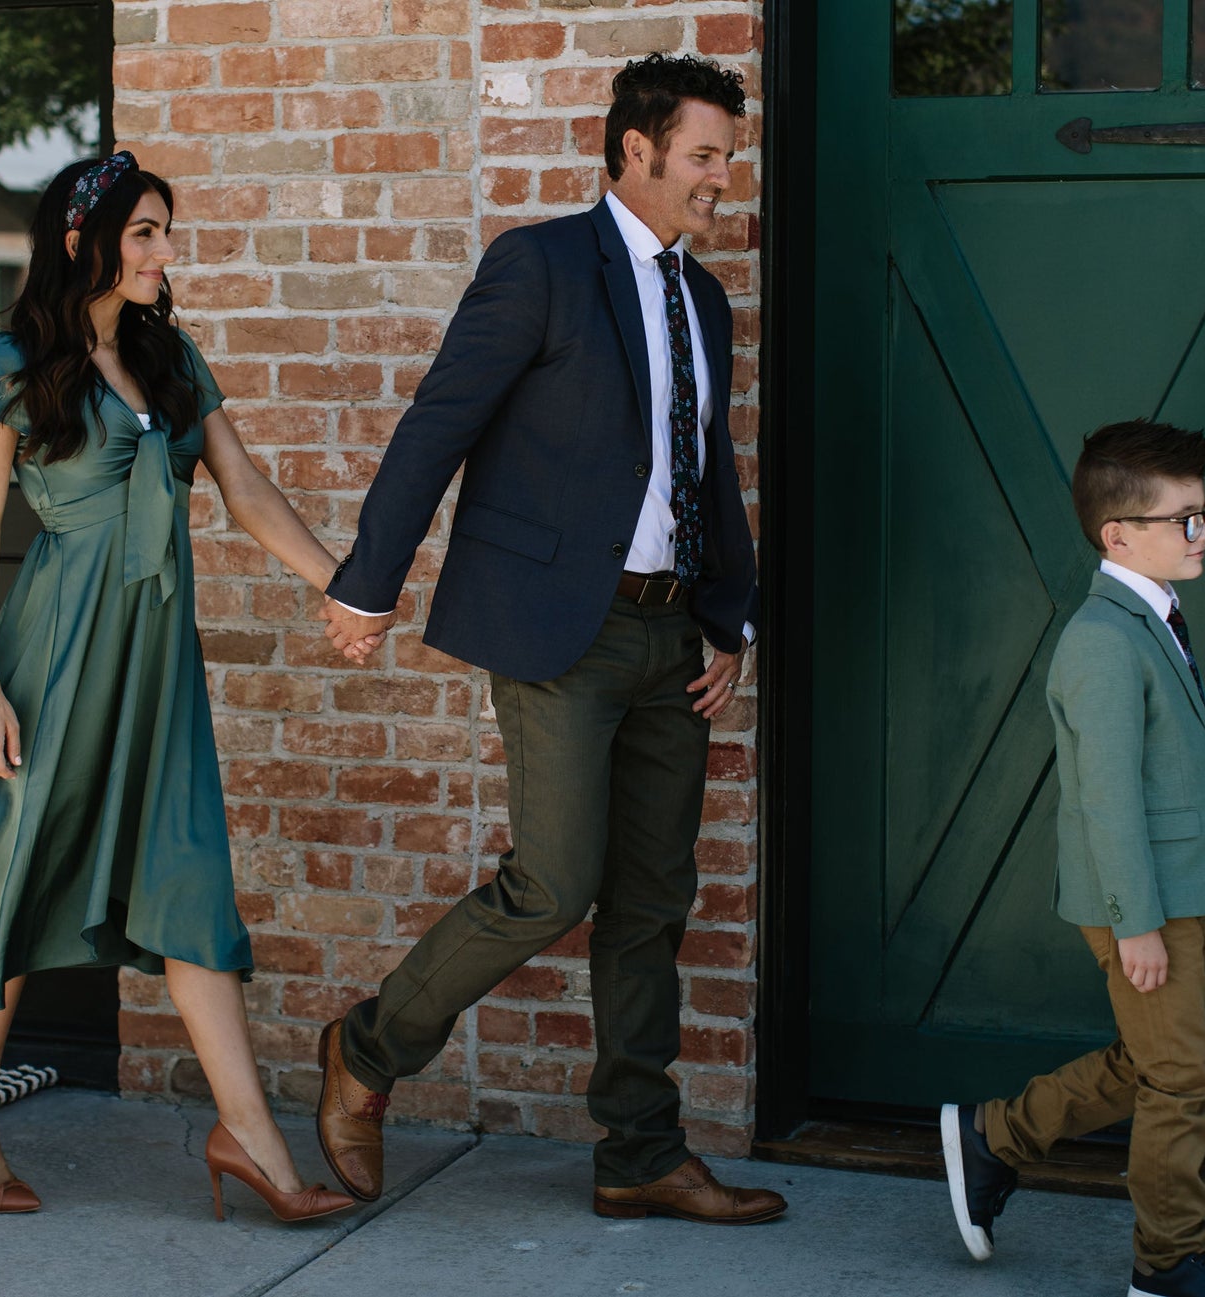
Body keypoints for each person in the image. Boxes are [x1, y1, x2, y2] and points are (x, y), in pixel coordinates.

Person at [315, 54, 785, 1225]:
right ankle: (366, 1049)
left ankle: (639, 1152)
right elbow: (438, 423)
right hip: (559, 633)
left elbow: (704, 469)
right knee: (554, 882)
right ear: (635, 149)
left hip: (672, 634)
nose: (721, 177)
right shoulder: (538, 264)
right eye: (704, 156)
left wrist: (727, 618)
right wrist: (368, 584)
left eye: (727, 157)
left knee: (650, 899)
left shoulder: (702, 298)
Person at [0, 153, 353, 1223]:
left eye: (163, 232)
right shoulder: (10, 362)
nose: (162, 252)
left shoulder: (168, 355)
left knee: (187, 874)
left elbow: (242, 488)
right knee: (19, 871)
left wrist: (343, 585)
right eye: (142, 232)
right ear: (80, 241)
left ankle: (252, 1140)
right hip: (54, 656)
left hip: (155, 661)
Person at [940, 420, 1205, 1297]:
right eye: (1185, 519)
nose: (1204, 532)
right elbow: (1109, 800)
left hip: (1180, 891)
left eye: (1204, 512)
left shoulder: (1155, 618)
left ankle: (994, 1136)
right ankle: (1167, 1263)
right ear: (1119, 534)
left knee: (1148, 1059)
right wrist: (1136, 924)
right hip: (1139, 903)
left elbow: (1185, 773)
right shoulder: (1103, 638)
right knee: (1178, 1077)